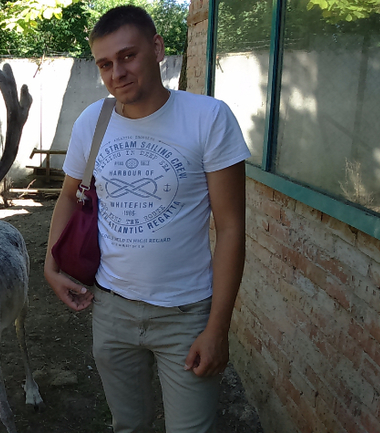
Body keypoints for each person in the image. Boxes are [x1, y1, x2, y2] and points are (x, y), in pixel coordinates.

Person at [44, 6, 250, 433]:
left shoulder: (208, 118)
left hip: (186, 313)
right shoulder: (92, 122)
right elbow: (68, 197)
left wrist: (218, 328)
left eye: (128, 56)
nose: (117, 72)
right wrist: (51, 265)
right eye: (105, 64)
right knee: (128, 425)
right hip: (111, 309)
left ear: (156, 48)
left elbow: (231, 228)